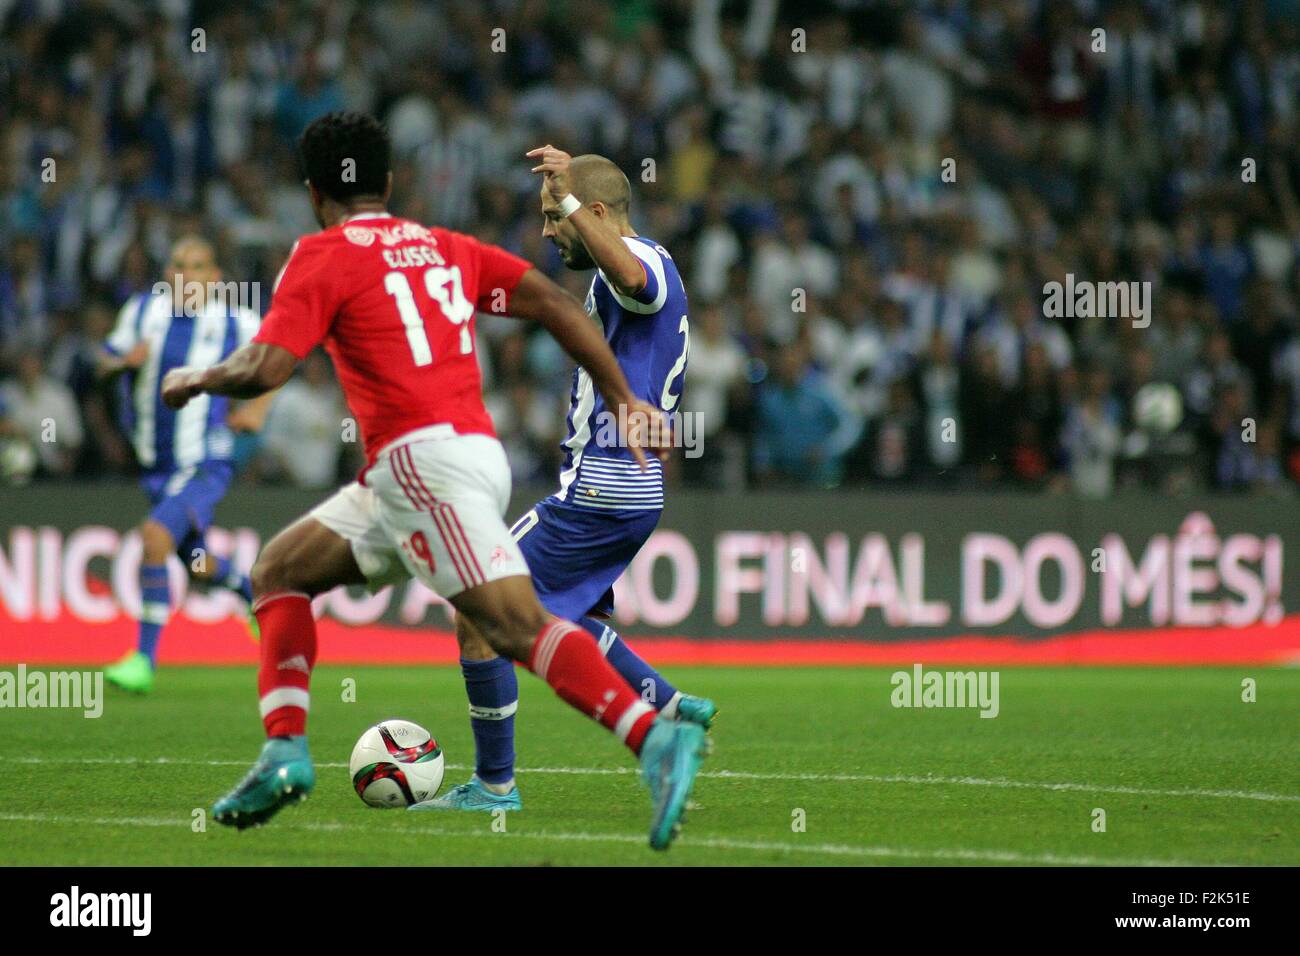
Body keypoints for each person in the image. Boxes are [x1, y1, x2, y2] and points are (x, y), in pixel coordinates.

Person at [160, 112, 708, 849]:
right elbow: (547, 302)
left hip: (429, 462)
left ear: (314, 194)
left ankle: (627, 742)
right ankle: (285, 751)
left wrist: (196, 379)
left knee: (506, 622)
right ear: (386, 183)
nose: (548, 231)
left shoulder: (321, 255)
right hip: (427, 467)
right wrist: (621, 395)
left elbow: (266, 367)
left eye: (558, 217)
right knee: (279, 571)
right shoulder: (443, 247)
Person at [415, 146, 716, 813]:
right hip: (630, 488)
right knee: (558, 617)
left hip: (607, 483)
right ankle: (671, 707)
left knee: (480, 605)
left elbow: (634, 275)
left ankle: (496, 787)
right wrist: (570, 184)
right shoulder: (636, 272)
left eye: (557, 218)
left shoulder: (646, 269)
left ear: (599, 213)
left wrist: (574, 202)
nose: (549, 232)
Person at [98, 236, 267, 694]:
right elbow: (101, 361)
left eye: (195, 266)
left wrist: (257, 410)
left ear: (214, 277)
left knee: (154, 537)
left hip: (205, 461)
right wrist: (121, 364)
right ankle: (257, 597)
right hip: (155, 465)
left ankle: (143, 660)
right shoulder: (141, 313)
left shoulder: (237, 320)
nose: (184, 275)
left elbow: (278, 358)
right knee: (196, 562)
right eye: (176, 266)